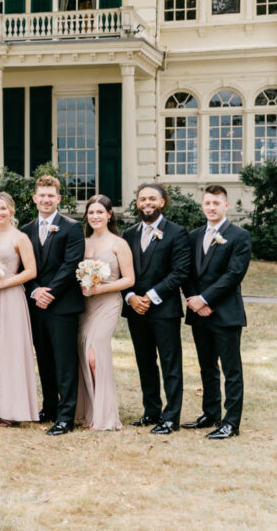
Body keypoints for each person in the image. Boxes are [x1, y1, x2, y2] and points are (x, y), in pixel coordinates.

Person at [182, 184, 251, 440]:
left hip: (225, 313)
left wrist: (205, 298)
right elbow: (186, 272)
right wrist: (193, 300)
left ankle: (231, 423)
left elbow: (234, 274)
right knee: (206, 366)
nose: (211, 207)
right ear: (203, 205)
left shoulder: (239, 235)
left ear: (226, 206)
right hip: (198, 313)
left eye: (216, 203)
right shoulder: (193, 236)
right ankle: (210, 414)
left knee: (231, 370)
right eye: (207, 203)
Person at [121, 183, 191, 435]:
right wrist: (130, 297)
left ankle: (171, 417)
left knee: (170, 363)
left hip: (164, 310)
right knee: (145, 362)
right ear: (137, 203)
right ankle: (151, 411)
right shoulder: (128, 234)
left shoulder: (176, 233)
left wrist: (150, 296)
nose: (146, 203)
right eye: (142, 199)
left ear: (162, 202)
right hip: (135, 310)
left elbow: (180, 271)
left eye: (152, 198)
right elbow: (121, 271)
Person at [19, 175, 85, 436]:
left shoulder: (72, 227)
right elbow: (23, 266)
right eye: (41, 195)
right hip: (35, 305)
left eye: (51, 196)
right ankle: (49, 408)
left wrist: (51, 293)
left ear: (58, 198)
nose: (46, 200)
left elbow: (72, 265)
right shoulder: (25, 230)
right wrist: (35, 290)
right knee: (44, 358)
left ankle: (66, 416)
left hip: (63, 306)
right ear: (35, 198)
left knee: (65, 361)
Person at [75, 195, 134, 431]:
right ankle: (90, 411)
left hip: (108, 302)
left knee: (94, 356)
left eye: (100, 212)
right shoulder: (83, 243)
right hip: (85, 305)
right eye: (91, 213)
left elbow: (129, 279)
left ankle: (105, 414)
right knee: (83, 355)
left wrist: (102, 287)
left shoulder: (119, 244)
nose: (95, 217)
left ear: (110, 215)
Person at [0, 192, 38, 425]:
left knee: (10, 351)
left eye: (3, 208)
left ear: (11, 211)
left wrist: (3, 282)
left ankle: (12, 409)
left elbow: (31, 271)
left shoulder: (20, 237)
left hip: (11, 297)